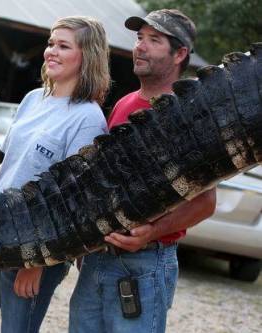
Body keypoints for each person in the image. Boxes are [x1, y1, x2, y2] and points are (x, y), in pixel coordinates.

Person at [0, 16, 111, 333]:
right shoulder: (33, 99)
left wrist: (38, 261)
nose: (51, 51)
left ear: (87, 56)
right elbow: (13, 163)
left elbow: (72, 201)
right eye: (51, 43)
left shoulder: (88, 120)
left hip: (36, 248)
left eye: (63, 46)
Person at [69, 9, 217, 333]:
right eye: (139, 38)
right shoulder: (124, 104)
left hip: (147, 263)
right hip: (97, 258)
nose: (140, 47)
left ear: (180, 54)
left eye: (154, 40)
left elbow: (205, 203)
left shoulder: (188, 113)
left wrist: (150, 233)